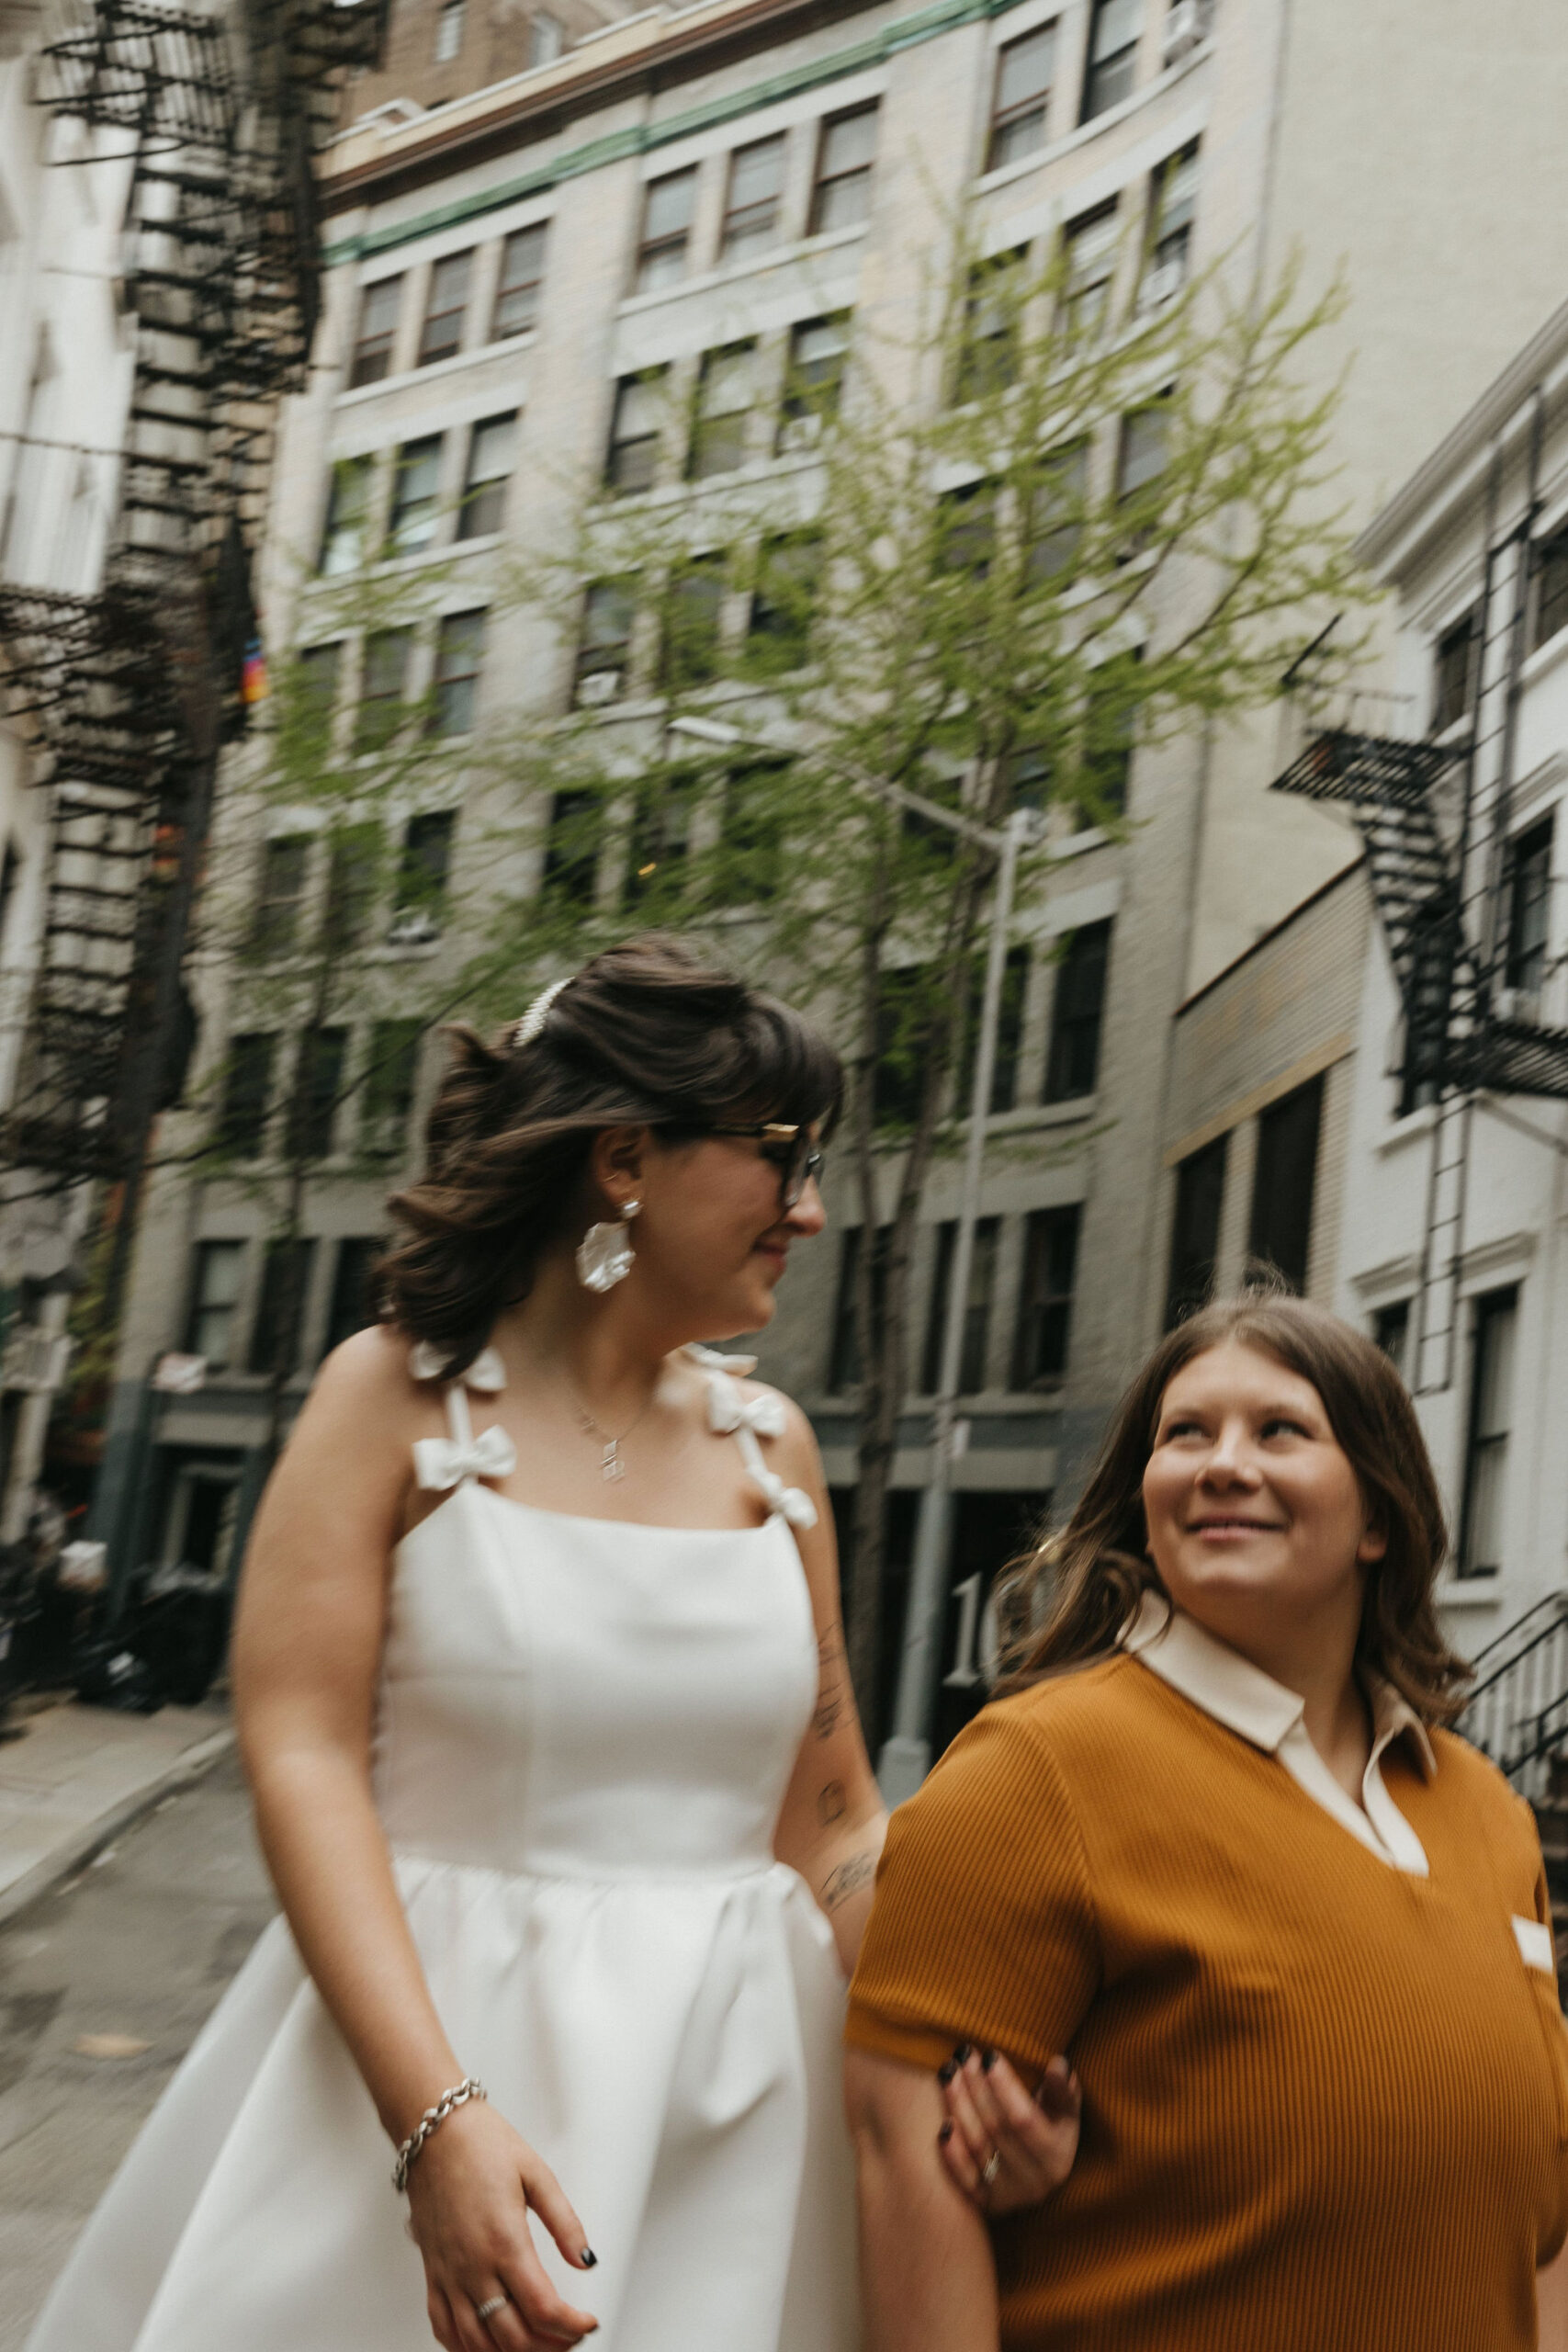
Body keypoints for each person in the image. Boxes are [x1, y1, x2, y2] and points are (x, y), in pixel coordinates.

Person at [25, 934, 1047, 2352]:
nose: (807, 1212)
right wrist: (432, 2121)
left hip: (740, 2112)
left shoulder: (776, 1453)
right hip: (428, 2063)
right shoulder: (388, 1399)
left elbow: (828, 1826)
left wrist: (973, 2031)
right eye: (778, 1157)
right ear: (624, 1160)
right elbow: (301, 1755)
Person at [845, 1292, 1568, 2352]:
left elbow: (1539, 2220)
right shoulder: (1033, 1773)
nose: (1223, 1463)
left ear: (1378, 1515)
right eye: (1186, 1433)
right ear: (1146, 1496)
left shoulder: (1490, 1811)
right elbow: (904, 2165)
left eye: (1280, 1429)